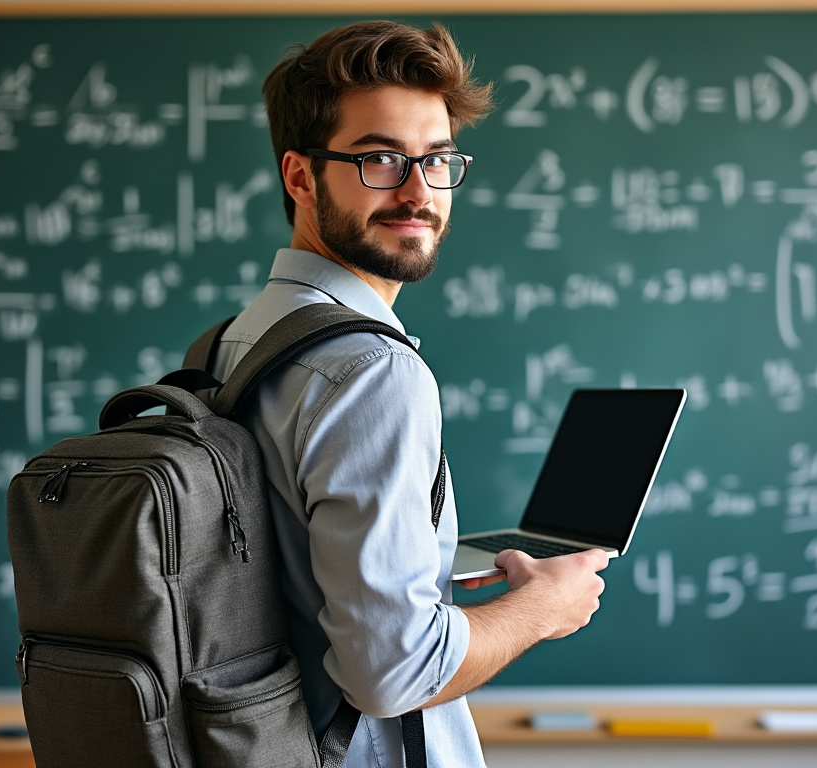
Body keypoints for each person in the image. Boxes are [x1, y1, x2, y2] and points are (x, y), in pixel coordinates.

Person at [211, 20, 608, 767]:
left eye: (437, 160)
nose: (418, 191)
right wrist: (541, 609)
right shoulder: (370, 370)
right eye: (380, 160)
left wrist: (419, 563)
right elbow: (395, 671)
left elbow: (288, 564)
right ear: (300, 177)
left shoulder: (233, 343)